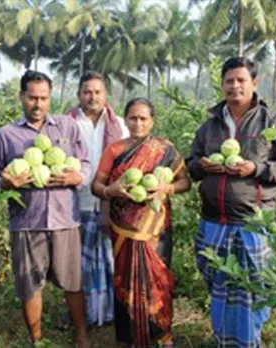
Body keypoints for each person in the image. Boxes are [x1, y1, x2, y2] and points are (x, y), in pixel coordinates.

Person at [187, 57, 276, 347]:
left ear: (254, 84)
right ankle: (223, 340)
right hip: (213, 222)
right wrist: (202, 166)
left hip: (252, 223)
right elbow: (189, 166)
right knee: (219, 287)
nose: (235, 86)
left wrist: (258, 169)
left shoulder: (274, 123)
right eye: (229, 81)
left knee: (251, 291)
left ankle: (247, 341)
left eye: (241, 80)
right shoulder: (209, 126)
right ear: (222, 85)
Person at [0, 70, 91, 348]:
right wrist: (5, 183)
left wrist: (77, 178)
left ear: (50, 98)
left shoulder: (67, 127)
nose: (38, 104)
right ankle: (37, 340)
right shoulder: (6, 135)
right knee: (29, 286)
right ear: (21, 97)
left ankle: (81, 335)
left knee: (73, 282)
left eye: (43, 98)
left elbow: (86, 164)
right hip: (26, 221)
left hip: (65, 219)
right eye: (32, 97)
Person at [91, 97, 191, 347]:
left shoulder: (165, 149)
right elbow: (96, 186)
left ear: (152, 121)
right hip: (123, 229)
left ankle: (163, 336)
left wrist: (165, 188)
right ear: (126, 120)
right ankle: (128, 338)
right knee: (125, 282)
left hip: (156, 229)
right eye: (133, 118)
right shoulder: (114, 150)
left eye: (143, 118)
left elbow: (185, 182)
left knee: (159, 281)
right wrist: (111, 190)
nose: (138, 123)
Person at [65, 71, 129, 327]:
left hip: (109, 203)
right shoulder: (66, 123)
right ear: (79, 95)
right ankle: (81, 313)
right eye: (87, 92)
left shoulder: (120, 125)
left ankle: (109, 313)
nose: (92, 97)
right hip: (75, 203)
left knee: (109, 260)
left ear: (106, 95)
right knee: (78, 262)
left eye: (97, 92)